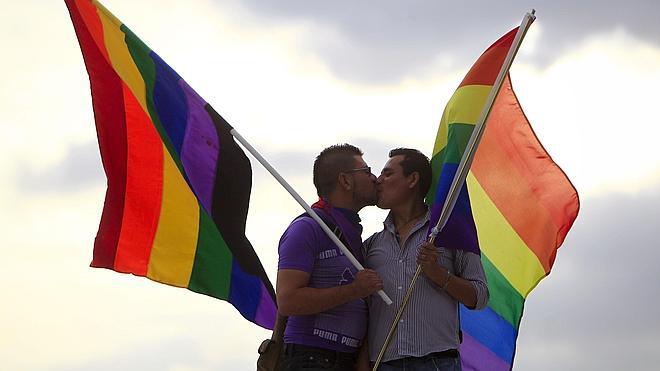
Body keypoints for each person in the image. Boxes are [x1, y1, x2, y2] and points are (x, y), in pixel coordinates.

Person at [363, 148, 489, 371]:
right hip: (383, 363)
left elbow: (479, 297)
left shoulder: (449, 233)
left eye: (388, 174)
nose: (378, 181)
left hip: (437, 363)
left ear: (412, 179)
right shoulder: (371, 245)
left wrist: (438, 274)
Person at [277, 143, 385, 371]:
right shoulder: (307, 228)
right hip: (310, 358)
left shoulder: (350, 232)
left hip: (344, 359)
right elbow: (288, 300)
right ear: (345, 181)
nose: (374, 178)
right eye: (366, 171)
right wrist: (355, 290)